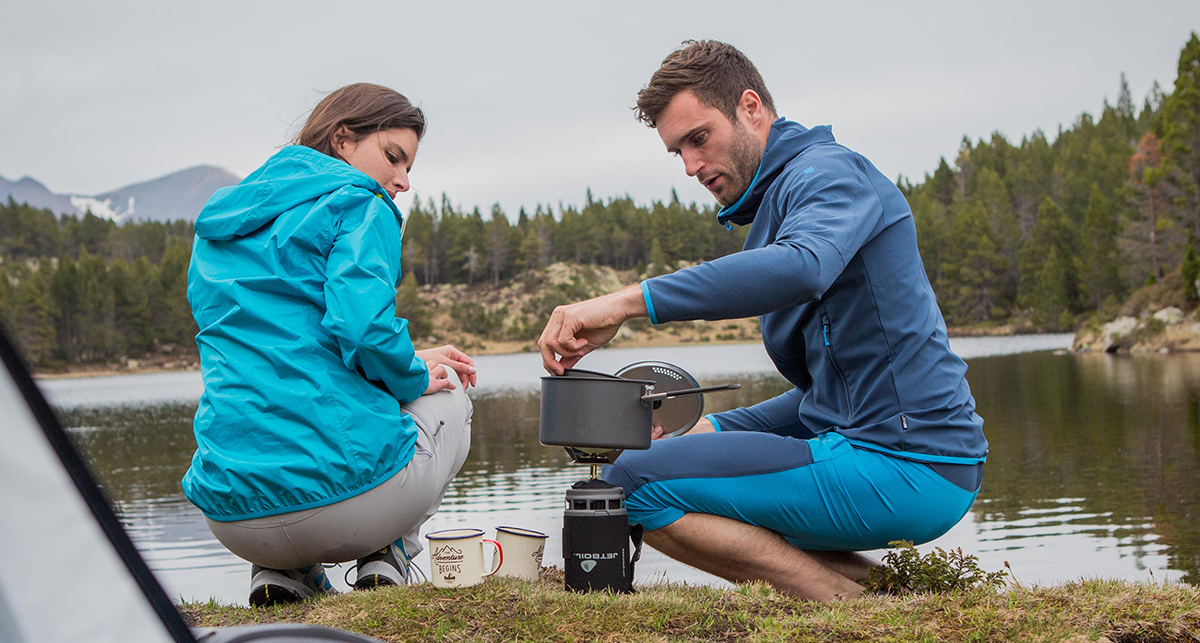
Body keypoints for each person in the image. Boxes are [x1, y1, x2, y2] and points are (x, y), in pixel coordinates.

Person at [537, 41, 986, 601]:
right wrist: (714, 429)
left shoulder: (828, 174)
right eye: (678, 151)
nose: (692, 166)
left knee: (632, 483)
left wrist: (627, 303)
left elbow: (804, 267)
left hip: (907, 463)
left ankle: (853, 609)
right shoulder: (786, 199)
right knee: (646, 463)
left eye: (699, 139)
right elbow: (832, 393)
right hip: (896, 457)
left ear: (751, 107)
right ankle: (888, 595)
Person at [184, 83, 477, 607]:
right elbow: (362, 331)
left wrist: (409, 357)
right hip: (347, 507)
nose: (402, 181)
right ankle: (388, 558)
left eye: (409, 168)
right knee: (451, 393)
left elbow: (294, 345)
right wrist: (413, 376)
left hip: (231, 514)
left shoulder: (220, 228)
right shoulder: (359, 202)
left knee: (275, 419)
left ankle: (282, 574)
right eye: (394, 158)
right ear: (343, 140)